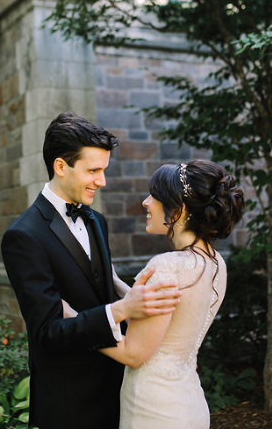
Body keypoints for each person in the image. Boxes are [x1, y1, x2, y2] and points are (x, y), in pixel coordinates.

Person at [1, 112, 182, 429]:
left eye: (104, 170)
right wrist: (121, 309)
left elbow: (103, 287)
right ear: (61, 166)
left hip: (118, 391)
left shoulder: (97, 221)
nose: (103, 181)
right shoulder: (23, 236)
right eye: (93, 171)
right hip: (70, 404)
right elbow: (47, 333)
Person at [63, 159, 245, 428]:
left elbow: (134, 354)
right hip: (190, 403)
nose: (146, 202)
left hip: (153, 408)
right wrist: (114, 281)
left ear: (178, 210)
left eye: (155, 196)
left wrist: (74, 319)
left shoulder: (166, 266)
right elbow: (168, 312)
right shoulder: (216, 263)